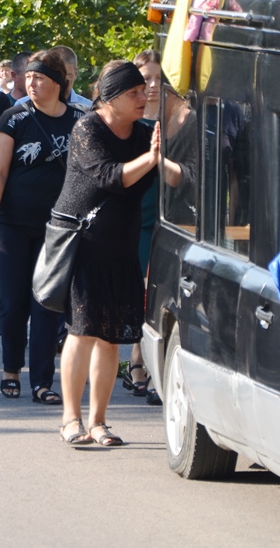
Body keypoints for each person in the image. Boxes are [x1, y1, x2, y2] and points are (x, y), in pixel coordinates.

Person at [54, 60, 183, 446]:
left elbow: (174, 177)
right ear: (110, 98)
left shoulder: (146, 133)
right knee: (82, 330)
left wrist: (166, 159)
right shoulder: (86, 128)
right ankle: (70, 418)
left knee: (110, 336)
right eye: (134, 93)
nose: (144, 97)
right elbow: (110, 176)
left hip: (122, 247)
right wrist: (153, 157)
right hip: (83, 244)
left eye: (145, 90)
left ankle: (98, 422)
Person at [0, 50, 85, 403]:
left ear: (59, 82)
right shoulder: (13, 118)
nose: (31, 83)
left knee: (47, 305)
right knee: (12, 303)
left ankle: (42, 382)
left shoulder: (78, 121)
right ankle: (11, 370)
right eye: (29, 77)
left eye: (39, 77)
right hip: (12, 226)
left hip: (57, 230)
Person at [123, 48, 162, 398]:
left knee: (155, 295)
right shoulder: (126, 122)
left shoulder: (174, 119)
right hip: (133, 217)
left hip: (166, 219)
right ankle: (135, 360)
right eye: (143, 79)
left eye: (155, 79)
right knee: (136, 294)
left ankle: (144, 363)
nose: (149, 86)